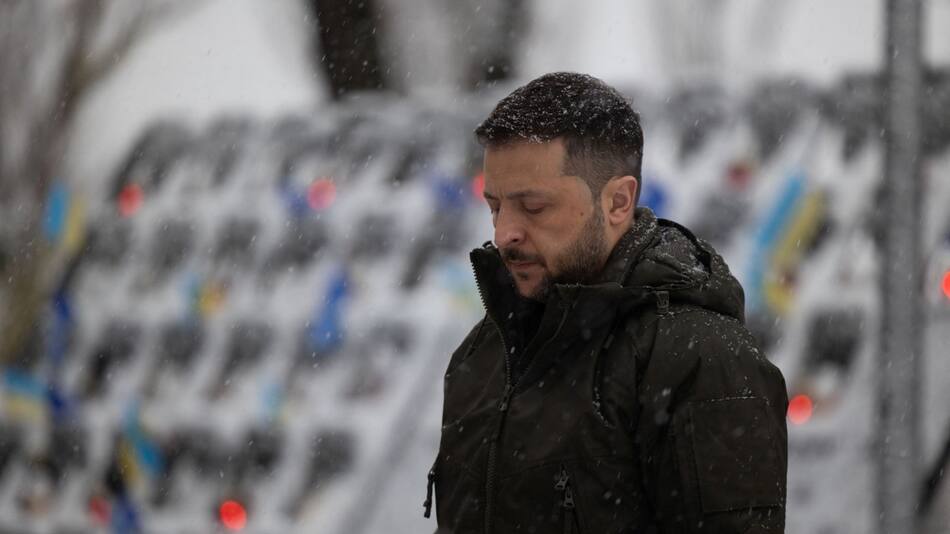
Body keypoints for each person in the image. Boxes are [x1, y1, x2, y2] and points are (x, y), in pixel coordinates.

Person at [423, 72, 788, 533]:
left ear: (618, 201)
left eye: (533, 207)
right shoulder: (485, 353)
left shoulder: (699, 359)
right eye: (494, 206)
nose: (503, 233)